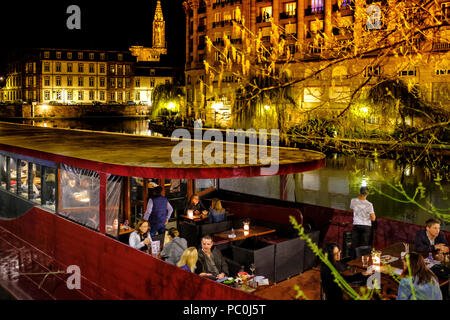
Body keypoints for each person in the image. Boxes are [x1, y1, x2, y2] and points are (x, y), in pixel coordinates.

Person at [350, 186, 376, 254]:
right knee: (364, 246)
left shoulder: (353, 201)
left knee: (354, 244)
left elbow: (352, 209)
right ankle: (363, 261)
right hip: (366, 226)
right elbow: (373, 219)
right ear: (368, 194)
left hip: (356, 224)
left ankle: (352, 261)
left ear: (359, 192)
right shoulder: (369, 204)